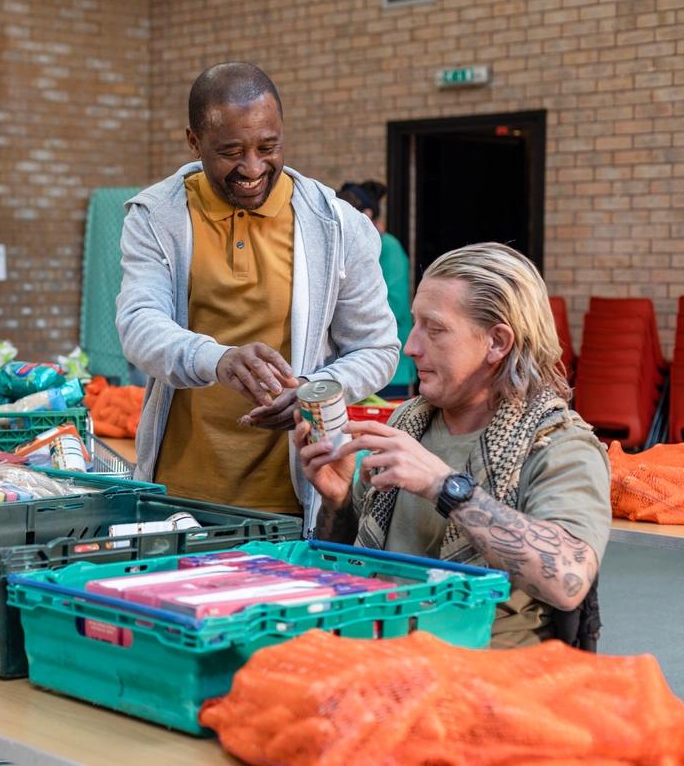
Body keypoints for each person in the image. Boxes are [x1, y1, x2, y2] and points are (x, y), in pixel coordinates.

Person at [116, 62, 399, 530]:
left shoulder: (337, 225)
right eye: (231, 151)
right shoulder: (157, 217)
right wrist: (217, 359)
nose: (252, 168)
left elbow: (376, 347)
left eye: (268, 147)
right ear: (194, 142)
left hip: (290, 499)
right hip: (179, 495)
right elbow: (139, 324)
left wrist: (316, 390)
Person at [296, 242, 610, 648]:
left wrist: (445, 487)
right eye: (414, 324)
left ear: (497, 342)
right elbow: (346, 561)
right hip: (380, 658)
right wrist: (338, 501)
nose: (411, 346)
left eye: (436, 328)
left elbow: (569, 577)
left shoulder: (559, 445)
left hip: (493, 684)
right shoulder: (406, 424)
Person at [337, 180, 416, 397]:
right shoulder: (344, 247)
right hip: (351, 368)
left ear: (368, 214)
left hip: (389, 369)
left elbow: (394, 305)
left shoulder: (389, 247)